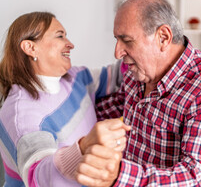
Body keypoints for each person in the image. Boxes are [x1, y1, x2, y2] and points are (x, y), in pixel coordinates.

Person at [76, 0, 201, 186]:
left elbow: (197, 178)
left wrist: (118, 176)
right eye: (117, 40)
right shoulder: (137, 71)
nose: (117, 52)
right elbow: (115, 105)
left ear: (163, 37)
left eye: (126, 40)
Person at [0, 12, 130, 186]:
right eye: (60, 36)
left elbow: (116, 76)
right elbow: (39, 178)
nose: (70, 44)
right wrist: (83, 148)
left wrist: (141, 46)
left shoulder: (74, 78)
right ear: (31, 48)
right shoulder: (22, 115)